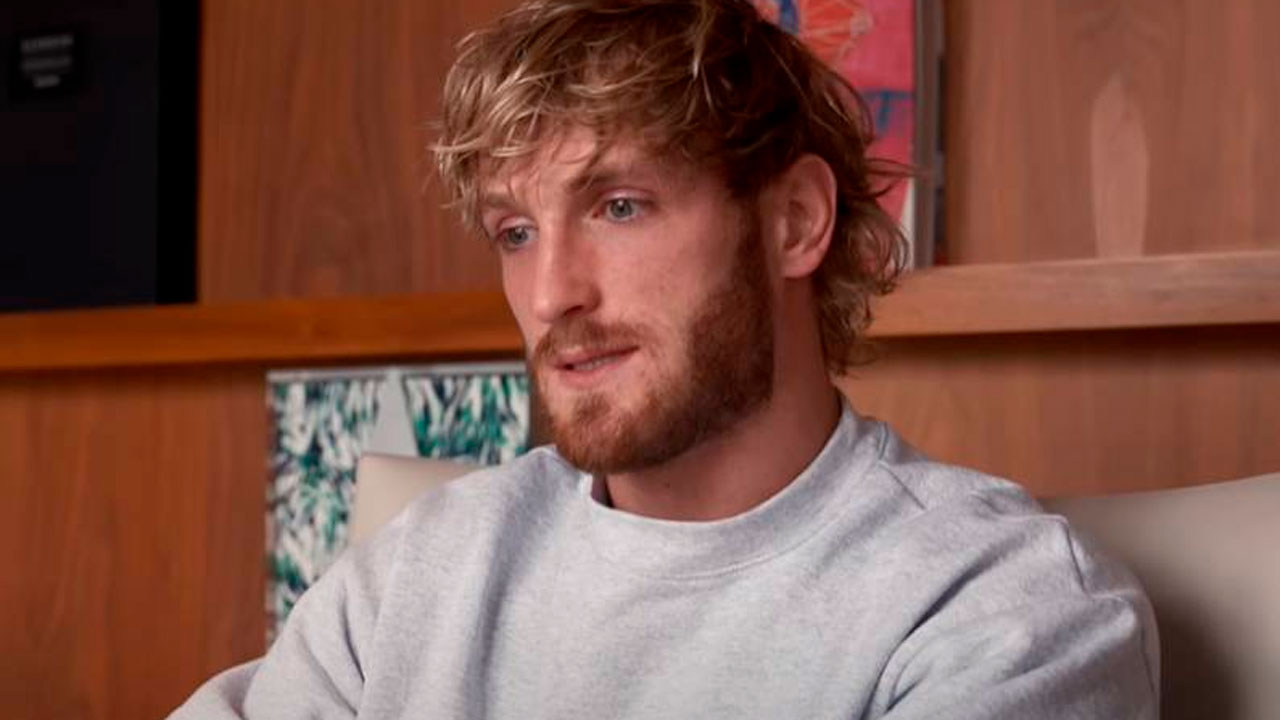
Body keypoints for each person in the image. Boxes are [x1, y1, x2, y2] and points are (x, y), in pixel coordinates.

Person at [172, 0, 1159, 717]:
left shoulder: (998, 611)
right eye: (515, 232)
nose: (550, 295)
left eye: (619, 206)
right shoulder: (417, 575)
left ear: (794, 221)